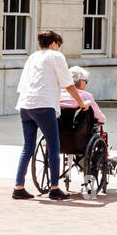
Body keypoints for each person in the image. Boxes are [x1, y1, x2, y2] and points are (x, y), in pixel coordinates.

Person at [14, 30, 88, 201]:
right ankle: (54, 188)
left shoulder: (32, 57)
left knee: (28, 147)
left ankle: (19, 187)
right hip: (44, 105)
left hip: (25, 104)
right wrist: (81, 103)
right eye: (59, 45)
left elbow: (25, 83)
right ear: (54, 43)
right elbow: (68, 84)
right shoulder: (56, 56)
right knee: (54, 145)